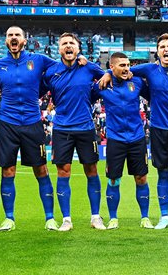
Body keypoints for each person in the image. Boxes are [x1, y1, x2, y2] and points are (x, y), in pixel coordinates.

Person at [100, 33, 168, 229]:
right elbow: (123, 70)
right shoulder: (147, 70)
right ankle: (164, 217)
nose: (166, 49)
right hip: (158, 128)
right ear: (157, 52)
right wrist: (106, 73)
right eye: (162, 47)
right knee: (163, 173)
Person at [0, 26, 73, 231]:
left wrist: (80, 61)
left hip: (32, 123)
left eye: (17, 35)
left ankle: (50, 218)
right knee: (8, 171)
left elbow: (64, 66)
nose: (13, 38)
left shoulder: (39, 60)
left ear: (25, 40)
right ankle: (10, 218)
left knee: (41, 169)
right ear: (6, 41)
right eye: (10, 35)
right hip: (7, 124)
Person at [43, 33, 106, 231]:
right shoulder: (51, 72)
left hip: (86, 127)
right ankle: (67, 219)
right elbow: (35, 90)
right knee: (63, 172)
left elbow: (107, 75)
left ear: (78, 48)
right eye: (64, 44)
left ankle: (96, 217)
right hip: (62, 129)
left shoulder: (88, 67)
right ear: (59, 49)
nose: (68, 46)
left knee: (92, 171)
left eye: (72, 43)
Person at [92, 52, 153, 229]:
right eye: (123, 65)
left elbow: (154, 96)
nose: (127, 68)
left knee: (141, 178)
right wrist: (106, 75)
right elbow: (85, 97)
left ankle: (145, 218)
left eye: (128, 65)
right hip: (115, 140)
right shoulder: (103, 85)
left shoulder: (137, 82)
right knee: (113, 180)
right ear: (112, 67)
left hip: (137, 138)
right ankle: (113, 218)